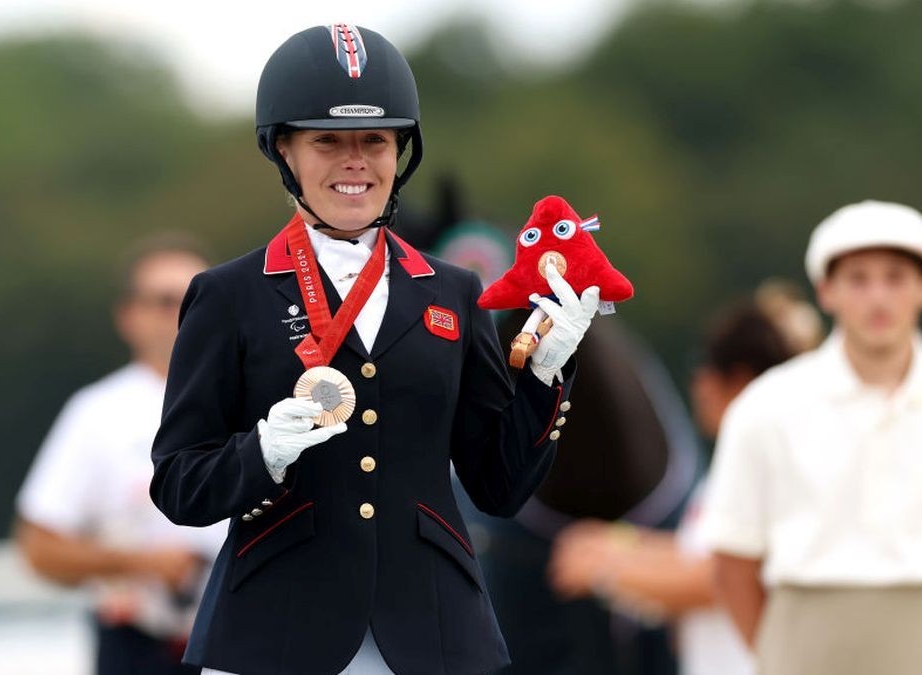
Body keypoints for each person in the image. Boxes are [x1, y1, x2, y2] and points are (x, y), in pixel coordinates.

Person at [148, 24, 600, 675]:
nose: (354, 160)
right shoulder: (229, 295)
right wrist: (261, 452)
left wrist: (545, 378)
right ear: (285, 151)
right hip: (275, 628)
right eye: (327, 140)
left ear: (400, 152)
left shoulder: (454, 290)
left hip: (434, 632)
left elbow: (498, 486)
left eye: (375, 140)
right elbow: (178, 483)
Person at [702, 200, 922, 675]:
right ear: (827, 291)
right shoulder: (766, 408)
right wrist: (780, 653)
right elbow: (732, 561)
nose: (878, 298)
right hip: (801, 644)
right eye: (858, 279)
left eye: (895, 277)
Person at [548, 298, 805, 675]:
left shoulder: (778, 464)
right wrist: (617, 544)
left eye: (704, 366)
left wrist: (606, 571)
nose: (697, 384)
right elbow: (703, 557)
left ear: (739, 380)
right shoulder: (740, 464)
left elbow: (726, 578)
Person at [16, 234, 228, 675]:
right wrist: (142, 563)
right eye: (167, 300)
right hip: (143, 644)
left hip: (248, 640)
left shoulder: (260, 399)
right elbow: (39, 547)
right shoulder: (99, 413)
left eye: (198, 297)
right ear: (129, 316)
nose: (184, 314)